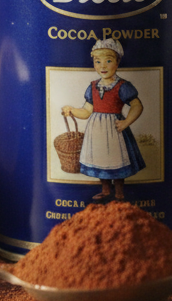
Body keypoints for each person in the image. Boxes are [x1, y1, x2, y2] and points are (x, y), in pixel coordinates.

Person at [61, 38, 145, 201]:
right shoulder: (93, 86)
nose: (103, 66)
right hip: (96, 130)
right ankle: (106, 190)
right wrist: (72, 110)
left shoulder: (122, 86)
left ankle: (119, 192)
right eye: (98, 61)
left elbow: (137, 105)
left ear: (117, 62)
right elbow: (87, 111)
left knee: (117, 159)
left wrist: (126, 122)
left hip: (114, 129)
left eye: (108, 61)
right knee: (100, 159)